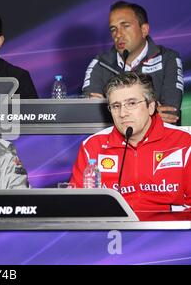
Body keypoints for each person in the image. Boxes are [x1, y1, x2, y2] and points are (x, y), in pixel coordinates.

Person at [71, 72, 190, 212]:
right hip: (110, 231)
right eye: (116, 106)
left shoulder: (185, 142)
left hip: (172, 231)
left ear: (151, 107)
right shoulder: (92, 146)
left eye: (131, 103)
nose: (122, 113)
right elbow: (78, 205)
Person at [82, 1, 184, 124]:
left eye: (125, 26)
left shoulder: (168, 58)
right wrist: (151, 114)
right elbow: (92, 111)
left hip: (160, 141)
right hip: (114, 141)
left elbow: (170, 113)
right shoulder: (100, 63)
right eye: (113, 29)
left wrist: (115, 110)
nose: (118, 35)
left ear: (144, 30)